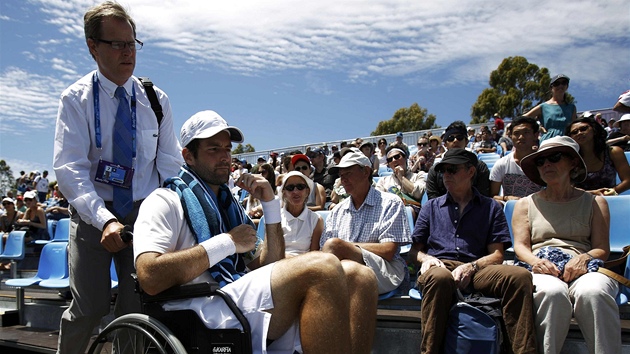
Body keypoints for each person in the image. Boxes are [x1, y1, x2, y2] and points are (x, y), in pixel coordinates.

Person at [134, 110, 378, 353]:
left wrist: (271, 205)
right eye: (213, 149)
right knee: (322, 267)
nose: (224, 157)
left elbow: (268, 263)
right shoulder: (163, 201)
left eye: (227, 149)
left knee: (360, 276)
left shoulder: (228, 205)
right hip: (199, 308)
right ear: (188, 156)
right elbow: (149, 277)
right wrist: (227, 243)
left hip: (231, 294)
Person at [51, 2, 184, 353]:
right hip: (93, 216)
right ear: (93, 47)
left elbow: (170, 164)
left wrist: (172, 212)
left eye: (132, 43)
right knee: (89, 308)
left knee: (136, 311)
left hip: (144, 215)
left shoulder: (156, 100)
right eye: (117, 44)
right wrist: (105, 219)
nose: (128, 52)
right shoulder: (76, 99)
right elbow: (70, 170)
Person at [410, 148, 537, 354]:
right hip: (440, 265)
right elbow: (414, 251)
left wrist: (473, 266)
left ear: (470, 172)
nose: (446, 175)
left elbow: (497, 255)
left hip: (478, 268)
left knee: (519, 276)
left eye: (452, 169)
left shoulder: (491, 207)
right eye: (443, 171)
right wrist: (426, 259)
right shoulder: (431, 207)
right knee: (440, 278)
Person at [513, 136, 621, 354]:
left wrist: (583, 258)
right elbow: (521, 247)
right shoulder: (525, 204)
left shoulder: (595, 202)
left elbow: (601, 248)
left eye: (554, 157)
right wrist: (537, 262)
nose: (546, 165)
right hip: (541, 265)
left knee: (595, 292)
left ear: (573, 163)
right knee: (552, 293)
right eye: (540, 161)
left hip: (584, 265)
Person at [320, 150, 411, 295]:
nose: (343, 180)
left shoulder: (390, 203)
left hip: (386, 271)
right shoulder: (337, 211)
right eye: (341, 176)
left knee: (336, 249)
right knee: (343, 264)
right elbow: (326, 255)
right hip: (343, 271)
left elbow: (388, 251)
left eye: (348, 173)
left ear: (366, 172)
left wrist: (344, 247)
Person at [566, 117, 630, 196]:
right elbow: (567, 188)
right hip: (580, 202)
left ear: (594, 130)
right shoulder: (569, 159)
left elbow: (628, 181)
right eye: (574, 132)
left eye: (583, 129)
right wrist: (592, 194)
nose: (579, 133)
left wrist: (610, 192)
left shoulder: (613, 152)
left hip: (608, 199)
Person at [426, 121, 491, 199]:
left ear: (466, 142)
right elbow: (433, 202)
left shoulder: (480, 167)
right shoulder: (435, 171)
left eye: (460, 137)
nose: (455, 140)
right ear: (445, 144)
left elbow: (483, 199)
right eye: (450, 138)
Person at [490, 116, 543, 203]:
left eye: (526, 132)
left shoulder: (544, 163)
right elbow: (492, 196)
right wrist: (506, 198)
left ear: (535, 135)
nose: (521, 137)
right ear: (510, 136)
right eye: (516, 133)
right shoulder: (502, 164)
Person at [279, 171, 323, 256]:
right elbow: (271, 252)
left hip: (306, 265)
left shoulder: (316, 219)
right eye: (290, 188)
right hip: (277, 264)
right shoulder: (276, 218)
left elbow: (314, 254)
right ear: (284, 193)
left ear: (307, 191)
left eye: (300, 187)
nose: (295, 191)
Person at [524, 74, 577, 141]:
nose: (560, 86)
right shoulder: (543, 106)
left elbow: (574, 127)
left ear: (567, 86)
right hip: (548, 140)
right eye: (557, 84)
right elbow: (523, 118)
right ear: (551, 88)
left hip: (567, 140)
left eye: (563, 83)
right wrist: (538, 127)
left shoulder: (572, 107)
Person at [376, 146, 426, 217]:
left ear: (405, 157)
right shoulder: (383, 181)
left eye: (397, 157)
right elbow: (377, 200)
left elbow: (418, 193)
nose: (393, 160)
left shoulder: (418, 176)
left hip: (413, 215)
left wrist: (401, 177)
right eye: (390, 159)